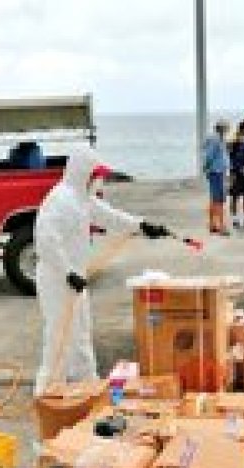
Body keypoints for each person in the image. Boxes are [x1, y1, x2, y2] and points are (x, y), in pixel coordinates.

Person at [33, 145, 170, 393]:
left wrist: (143, 226)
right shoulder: (59, 200)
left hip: (74, 277)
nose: (98, 179)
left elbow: (111, 217)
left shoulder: (82, 199)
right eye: (95, 174)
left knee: (81, 334)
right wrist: (67, 272)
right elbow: (45, 241)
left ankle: (88, 386)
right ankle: (45, 393)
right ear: (82, 172)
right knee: (59, 336)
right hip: (57, 278)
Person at [202, 119, 229, 236]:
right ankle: (221, 226)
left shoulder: (219, 139)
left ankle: (212, 224)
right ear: (221, 128)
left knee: (214, 200)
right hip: (216, 172)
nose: (228, 130)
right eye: (226, 128)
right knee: (219, 200)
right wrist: (206, 168)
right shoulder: (215, 139)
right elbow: (209, 156)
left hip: (218, 172)